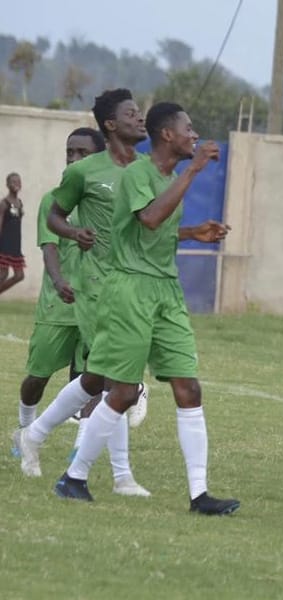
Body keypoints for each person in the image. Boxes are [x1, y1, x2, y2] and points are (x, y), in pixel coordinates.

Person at [51, 101, 239, 514]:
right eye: (188, 128)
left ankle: (199, 494)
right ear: (167, 135)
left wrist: (193, 232)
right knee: (121, 391)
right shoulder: (138, 173)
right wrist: (194, 171)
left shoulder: (170, 176)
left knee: (188, 386)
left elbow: (156, 231)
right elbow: (150, 218)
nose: (195, 135)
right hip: (129, 291)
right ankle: (73, 478)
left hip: (165, 291)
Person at [14, 89, 149, 485]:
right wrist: (58, 281)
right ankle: (26, 430)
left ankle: (105, 465)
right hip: (61, 301)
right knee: (39, 376)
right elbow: (50, 245)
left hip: (101, 295)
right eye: (69, 153)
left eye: (81, 153)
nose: (74, 160)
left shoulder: (123, 182)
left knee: (104, 378)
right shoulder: (58, 199)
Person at [0, 172, 26, 294]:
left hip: (15, 245)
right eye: (13, 182)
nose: (17, 184)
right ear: (7, 184)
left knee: (19, 275)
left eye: (18, 181)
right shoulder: (4, 203)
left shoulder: (20, 203)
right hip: (4, 244)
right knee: (2, 274)